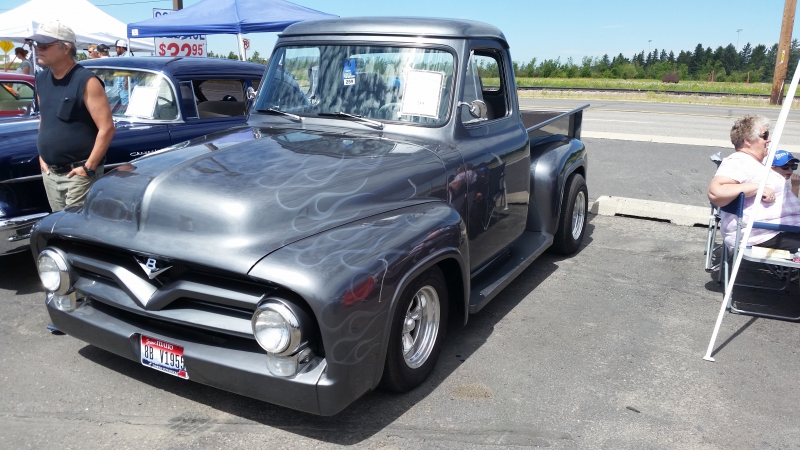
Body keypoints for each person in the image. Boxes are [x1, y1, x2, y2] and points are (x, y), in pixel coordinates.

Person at [30, 20, 114, 212]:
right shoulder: (41, 78)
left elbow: (107, 128)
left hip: (79, 173)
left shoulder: (86, 81)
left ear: (66, 48)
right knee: (58, 228)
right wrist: (43, 157)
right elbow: (45, 118)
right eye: (37, 45)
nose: (38, 49)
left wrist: (88, 168)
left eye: (44, 45)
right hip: (50, 172)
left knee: (74, 230)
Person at [708, 115, 800, 251]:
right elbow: (716, 192)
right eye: (765, 135)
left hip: (780, 228)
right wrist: (758, 188)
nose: (769, 140)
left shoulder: (752, 163)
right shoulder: (739, 160)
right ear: (748, 141)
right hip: (763, 233)